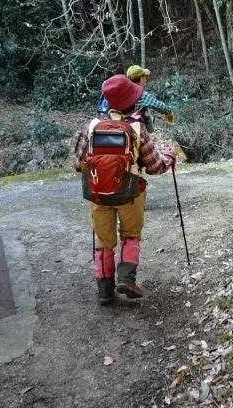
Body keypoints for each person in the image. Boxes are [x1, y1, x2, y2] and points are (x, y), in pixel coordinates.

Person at [74, 74, 176, 305]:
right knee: (131, 235)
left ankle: (105, 291)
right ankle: (127, 280)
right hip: (130, 194)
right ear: (132, 102)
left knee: (103, 241)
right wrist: (169, 158)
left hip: (99, 194)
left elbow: (78, 164)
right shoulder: (138, 128)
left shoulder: (91, 127)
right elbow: (155, 167)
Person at [97, 65, 175, 131]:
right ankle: (149, 132)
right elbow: (160, 106)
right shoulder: (141, 94)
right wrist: (169, 113)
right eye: (144, 77)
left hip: (112, 123)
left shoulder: (116, 90)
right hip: (130, 124)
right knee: (144, 109)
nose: (146, 79)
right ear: (141, 78)